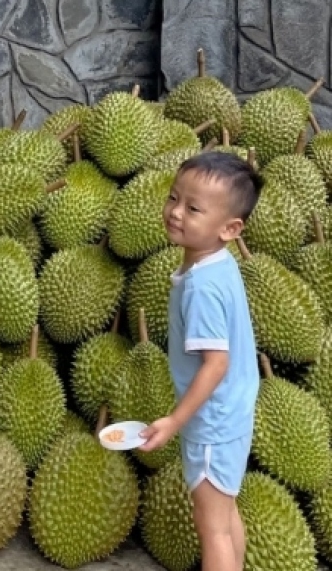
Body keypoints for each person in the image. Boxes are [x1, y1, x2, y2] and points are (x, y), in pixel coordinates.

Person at [139, 151, 263, 571]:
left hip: (212, 423)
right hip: (232, 414)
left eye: (193, 208)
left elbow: (216, 364)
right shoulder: (218, 266)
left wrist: (174, 421)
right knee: (225, 517)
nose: (175, 212)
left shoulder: (201, 289)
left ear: (230, 228)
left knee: (211, 528)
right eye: (174, 198)